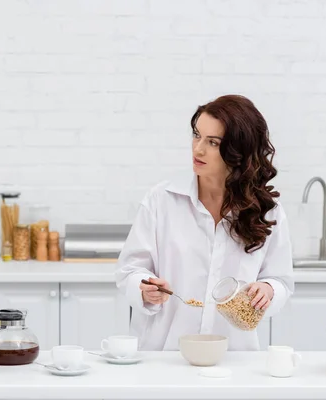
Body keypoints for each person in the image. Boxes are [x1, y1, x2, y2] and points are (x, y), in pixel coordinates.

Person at [115, 94, 294, 351]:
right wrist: (144, 288)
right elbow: (129, 270)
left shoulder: (268, 211)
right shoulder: (161, 200)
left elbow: (282, 281)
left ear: (239, 151)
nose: (198, 149)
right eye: (197, 135)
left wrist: (268, 289)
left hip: (233, 358)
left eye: (213, 142)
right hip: (165, 357)